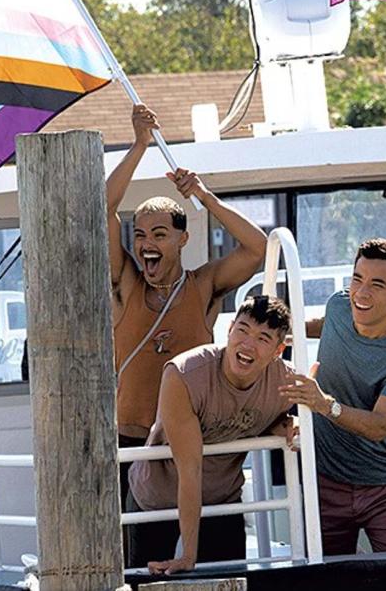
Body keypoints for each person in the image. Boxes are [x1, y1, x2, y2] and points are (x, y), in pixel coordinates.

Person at [106, 105, 269, 492]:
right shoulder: (127, 283)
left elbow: (257, 248)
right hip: (131, 441)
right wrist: (139, 145)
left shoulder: (203, 285)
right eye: (141, 235)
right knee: (139, 547)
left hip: (193, 437)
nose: (147, 244)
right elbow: (103, 208)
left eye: (159, 235)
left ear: (183, 239)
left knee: (211, 545)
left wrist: (203, 196)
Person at [280, 239, 386, 555]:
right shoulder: (339, 306)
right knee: (326, 582)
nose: (361, 293)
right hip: (325, 481)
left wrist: (324, 404)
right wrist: (279, 332)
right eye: (357, 279)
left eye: (376, 284)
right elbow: (326, 325)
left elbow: (380, 425)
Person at [126, 295, 297, 574]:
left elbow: (264, 414)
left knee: (230, 581)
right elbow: (190, 470)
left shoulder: (285, 383)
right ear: (229, 329)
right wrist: (188, 557)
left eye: (263, 338)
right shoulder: (184, 375)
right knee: (145, 583)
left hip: (222, 500)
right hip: (156, 499)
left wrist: (286, 424)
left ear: (278, 350)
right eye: (242, 330)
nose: (248, 344)